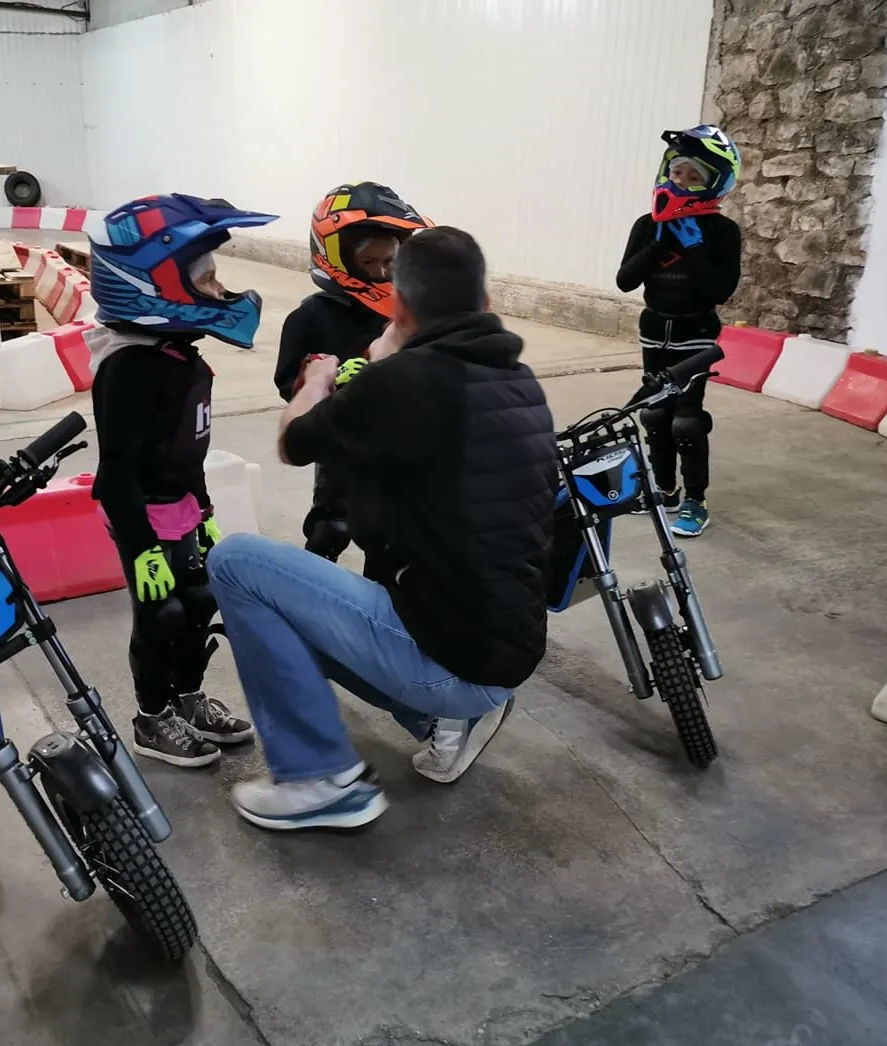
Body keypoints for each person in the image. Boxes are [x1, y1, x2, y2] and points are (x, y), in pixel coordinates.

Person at [206, 226, 558, 830]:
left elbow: (295, 443)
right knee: (295, 603)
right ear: (485, 300)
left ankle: (319, 779)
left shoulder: (402, 383)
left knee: (238, 564)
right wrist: (389, 358)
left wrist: (319, 382)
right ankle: (444, 720)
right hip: (507, 648)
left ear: (399, 304)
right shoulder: (519, 381)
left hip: (451, 662)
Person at [86, 193, 275, 767]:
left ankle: (189, 699)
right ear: (154, 286)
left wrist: (205, 511)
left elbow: (189, 451)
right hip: (139, 511)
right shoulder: (127, 369)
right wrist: (143, 547)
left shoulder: (182, 358)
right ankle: (152, 718)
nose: (219, 290)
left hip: (181, 506)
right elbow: (116, 470)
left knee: (198, 602)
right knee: (159, 613)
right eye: (207, 279)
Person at [273, 182, 430, 561]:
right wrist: (331, 381)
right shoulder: (311, 316)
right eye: (369, 263)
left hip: (395, 443)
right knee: (331, 526)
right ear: (338, 258)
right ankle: (312, 579)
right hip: (340, 441)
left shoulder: (406, 313)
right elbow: (287, 382)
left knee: (394, 538)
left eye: (389, 262)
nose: (381, 272)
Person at [616, 125, 742, 537]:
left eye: (694, 176)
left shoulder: (722, 232)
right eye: (677, 171)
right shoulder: (646, 225)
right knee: (655, 413)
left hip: (696, 333)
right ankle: (665, 489)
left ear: (714, 184)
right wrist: (655, 246)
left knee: (686, 420)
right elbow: (625, 281)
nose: (681, 182)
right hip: (655, 328)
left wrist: (694, 248)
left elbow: (719, 291)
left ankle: (695, 500)